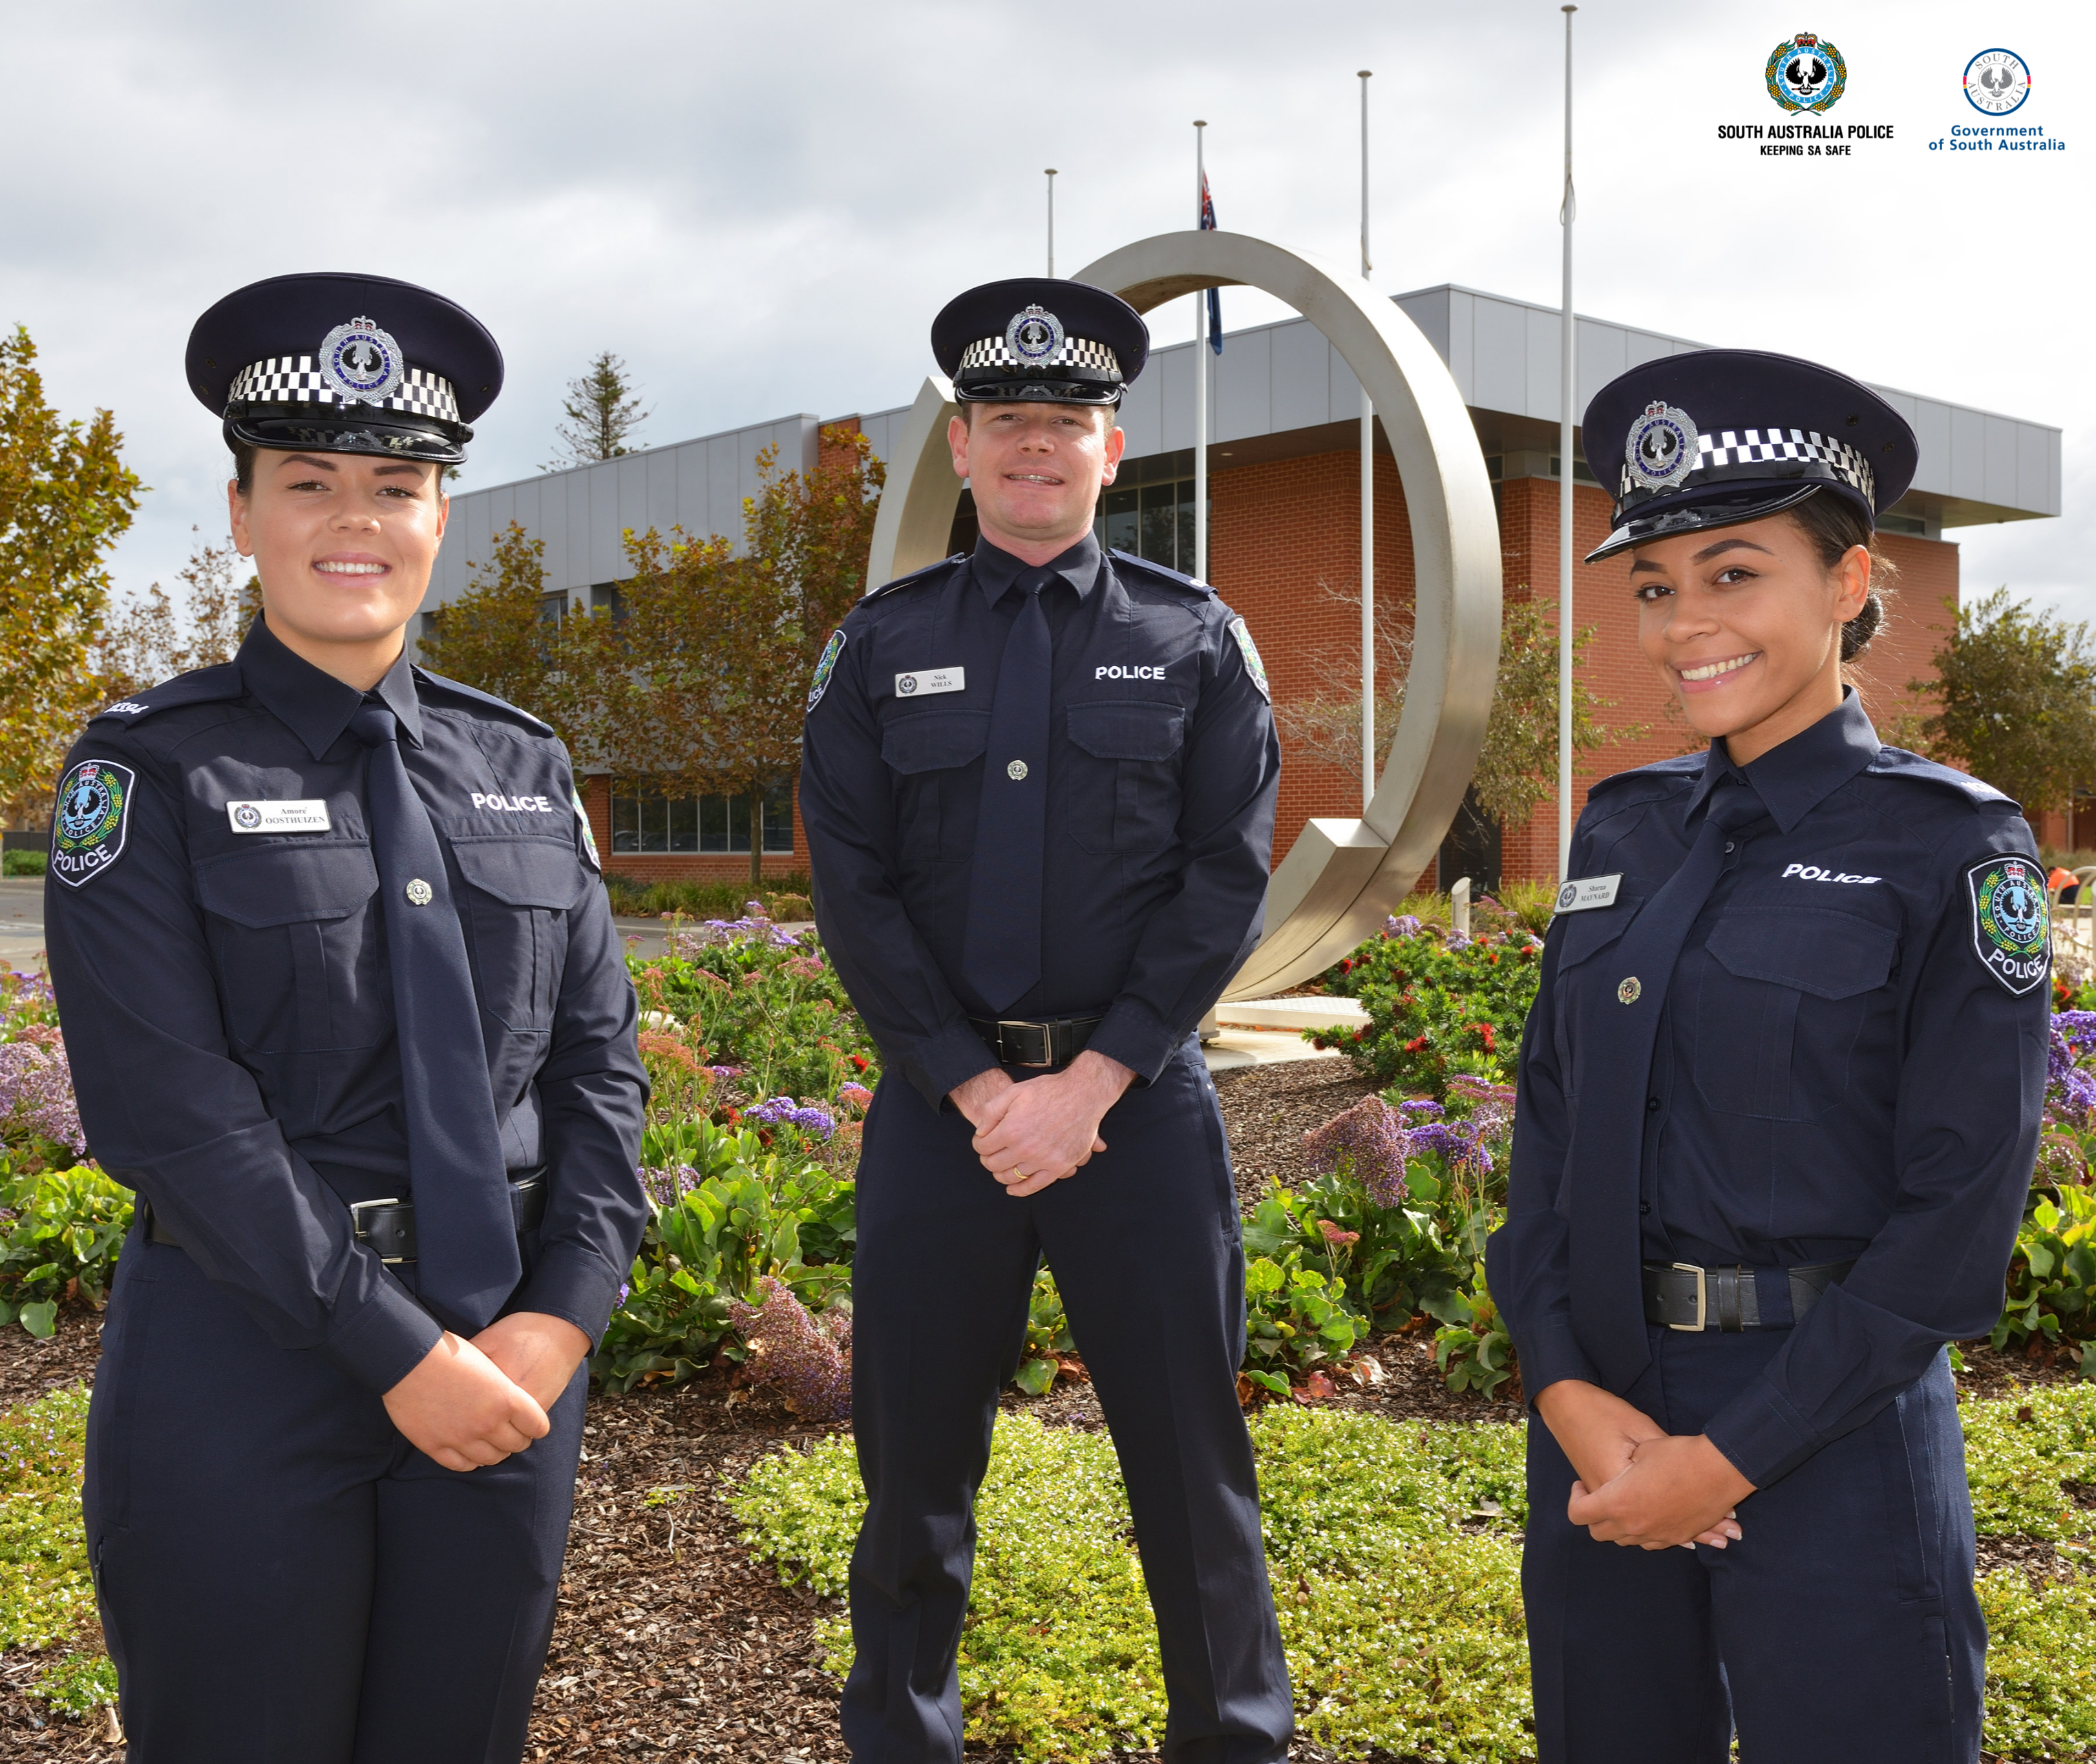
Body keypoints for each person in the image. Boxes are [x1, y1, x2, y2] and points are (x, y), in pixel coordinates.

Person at [45, 272, 648, 1763]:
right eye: (309, 482)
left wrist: (559, 1322)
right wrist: (397, 1355)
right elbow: (169, 1114)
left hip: (505, 1357)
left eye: (395, 484)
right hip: (249, 1361)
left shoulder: (520, 763)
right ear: (243, 513)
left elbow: (599, 1074)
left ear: (443, 514)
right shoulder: (149, 771)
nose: (355, 520)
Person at [1488, 349, 2049, 1763]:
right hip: (1604, 1416)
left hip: (1836, 1426)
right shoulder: (1619, 825)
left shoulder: (1949, 846)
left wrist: (1727, 1462)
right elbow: (1548, 1137)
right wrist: (1565, 1391)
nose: (1684, 627)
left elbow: (1959, 1219)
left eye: (1734, 575)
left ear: (1849, 583)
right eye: (1656, 587)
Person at [798, 277, 1294, 1764]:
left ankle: (1235, 1742)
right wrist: (967, 1084)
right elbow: (856, 886)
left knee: (1191, 1471)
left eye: (1063, 424)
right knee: (911, 1478)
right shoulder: (879, 647)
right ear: (961, 445)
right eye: (1007, 422)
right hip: (941, 1122)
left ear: (1111, 446)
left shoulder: (1198, 639)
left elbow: (1226, 876)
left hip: (1136, 1115)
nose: (1035, 448)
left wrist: (1092, 1081)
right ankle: (899, 1737)